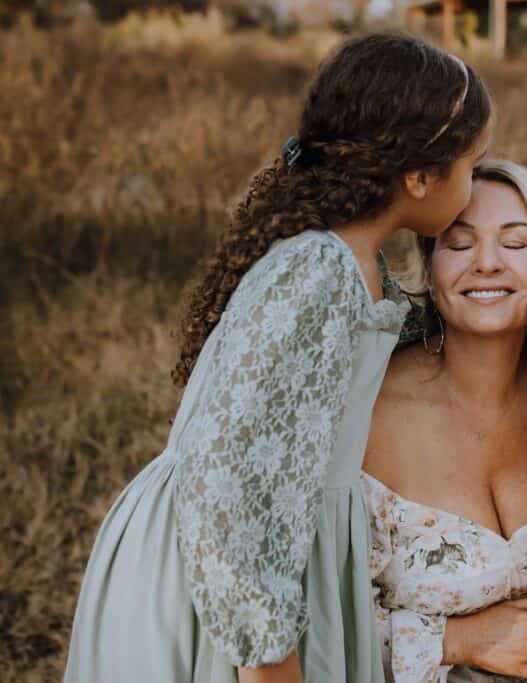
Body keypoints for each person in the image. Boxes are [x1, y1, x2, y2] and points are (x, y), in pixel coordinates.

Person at [64, 34, 492, 683]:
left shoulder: (354, 266)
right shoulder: (318, 272)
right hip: (217, 581)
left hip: (264, 559)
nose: (475, 184)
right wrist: (267, 658)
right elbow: (227, 476)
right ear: (419, 175)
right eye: (471, 165)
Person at [361, 159, 527, 682]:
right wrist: (454, 641)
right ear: (429, 272)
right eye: (458, 245)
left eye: (515, 244)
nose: (487, 264)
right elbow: (313, 615)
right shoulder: (366, 412)